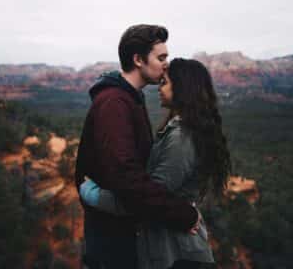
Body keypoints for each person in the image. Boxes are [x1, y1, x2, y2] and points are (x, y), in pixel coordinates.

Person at [80, 58, 232, 269]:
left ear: (182, 89)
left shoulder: (181, 137)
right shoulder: (180, 130)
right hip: (170, 249)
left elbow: (147, 199)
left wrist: (93, 194)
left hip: (178, 254)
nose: (159, 88)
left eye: (165, 83)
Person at [75, 25, 200, 269]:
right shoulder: (114, 103)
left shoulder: (130, 97)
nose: (167, 64)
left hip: (124, 230)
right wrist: (184, 214)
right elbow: (127, 177)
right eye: (161, 57)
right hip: (112, 238)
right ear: (138, 60)